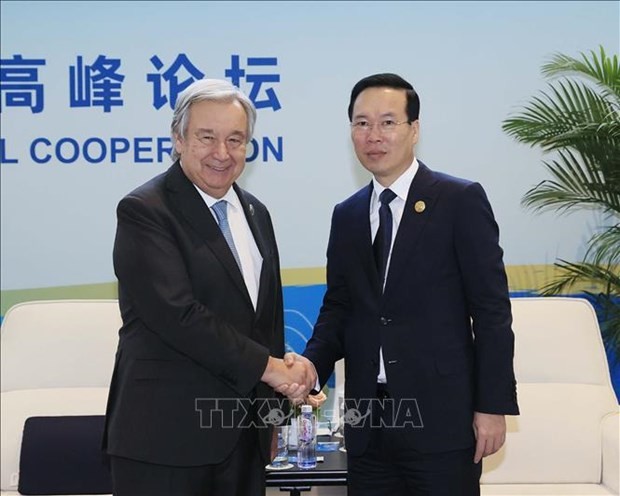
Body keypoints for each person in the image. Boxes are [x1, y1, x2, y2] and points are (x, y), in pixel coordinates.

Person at [282, 73, 519, 495]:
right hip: (367, 427)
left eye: (388, 122)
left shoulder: (458, 200)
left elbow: (491, 310)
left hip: (442, 423)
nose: (373, 135)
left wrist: (491, 406)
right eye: (361, 123)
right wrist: (311, 366)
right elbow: (339, 307)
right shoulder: (348, 214)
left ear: (414, 130)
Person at [102, 78, 315, 496]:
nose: (222, 153)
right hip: (163, 441)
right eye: (207, 137)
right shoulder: (145, 211)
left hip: (242, 442)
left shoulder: (256, 212)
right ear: (178, 139)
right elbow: (179, 315)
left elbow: (265, 322)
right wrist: (272, 370)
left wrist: (271, 419)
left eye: (236, 139)